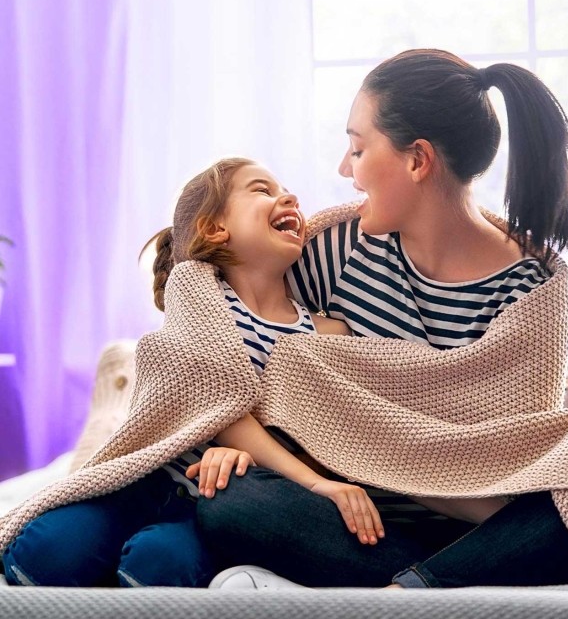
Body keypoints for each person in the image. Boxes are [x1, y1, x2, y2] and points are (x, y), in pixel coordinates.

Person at [197, 49, 568, 589]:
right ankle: (425, 590)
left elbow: (510, 467)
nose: (344, 169)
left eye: (358, 149)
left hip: (480, 534)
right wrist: (234, 435)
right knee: (233, 503)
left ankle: (408, 593)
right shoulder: (337, 249)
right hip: (356, 527)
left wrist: (386, 451)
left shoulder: (533, 290)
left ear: (417, 160)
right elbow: (228, 337)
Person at [1, 157, 384, 588]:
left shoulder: (327, 332)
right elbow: (213, 398)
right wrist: (304, 479)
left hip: (216, 500)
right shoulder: (196, 291)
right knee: (42, 555)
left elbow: (334, 434)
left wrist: (262, 468)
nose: (288, 198)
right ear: (214, 229)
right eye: (262, 190)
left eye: (285, 190)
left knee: (157, 566)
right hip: (147, 479)